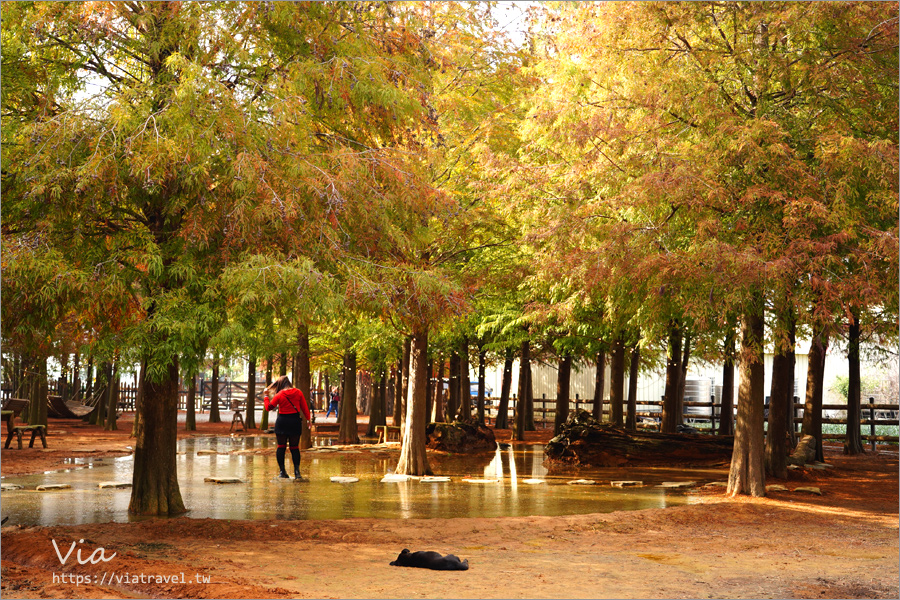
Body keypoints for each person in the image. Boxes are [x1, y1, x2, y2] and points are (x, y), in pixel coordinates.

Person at [264, 375, 311, 479]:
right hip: (295, 422)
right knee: (295, 448)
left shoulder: (280, 394)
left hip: (282, 422)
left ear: (280, 385)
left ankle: (282, 472)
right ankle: (297, 472)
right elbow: (304, 407)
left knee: (281, 447)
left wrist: (266, 396)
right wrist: (308, 419)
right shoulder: (298, 392)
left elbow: (269, 407)